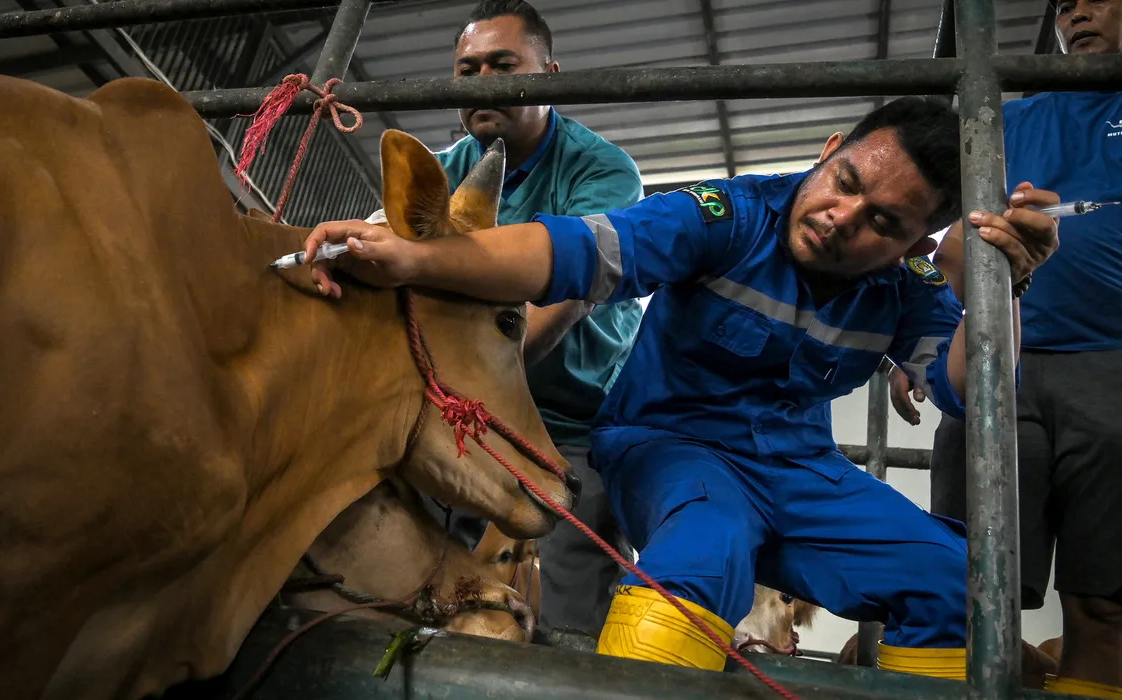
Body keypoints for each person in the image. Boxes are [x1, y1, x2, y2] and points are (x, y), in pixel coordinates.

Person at [303, 95, 1059, 679]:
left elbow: (964, 392)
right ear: (829, 152)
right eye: (844, 183)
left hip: (799, 472)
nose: (841, 218)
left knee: (954, 580)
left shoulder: (911, 288)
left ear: (914, 244)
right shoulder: (727, 216)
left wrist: (1007, 285)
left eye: (882, 222)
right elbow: (576, 252)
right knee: (706, 548)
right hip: (670, 445)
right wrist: (415, 259)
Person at [887, 1, 1122, 696]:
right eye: (1066, 3)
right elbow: (927, 229)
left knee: (1104, 605)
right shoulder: (1002, 117)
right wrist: (918, 342)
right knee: (959, 597)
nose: (1078, 12)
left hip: (1113, 369)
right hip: (999, 359)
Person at [418, 0, 643, 637]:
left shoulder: (602, 169)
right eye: (468, 69)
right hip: (466, 408)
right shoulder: (445, 168)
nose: (483, 80)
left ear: (549, 73)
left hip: (574, 416)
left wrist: (475, 381)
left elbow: (566, 292)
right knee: (429, 565)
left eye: (503, 64)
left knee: (576, 598)